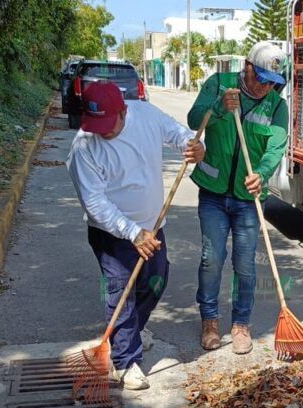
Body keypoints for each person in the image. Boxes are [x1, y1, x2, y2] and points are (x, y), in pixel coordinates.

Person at [67, 81, 204, 390]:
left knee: (156, 281)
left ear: (124, 111)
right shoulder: (84, 146)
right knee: (120, 292)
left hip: (153, 225)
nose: (102, 131)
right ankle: (125, 361)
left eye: (107, 124)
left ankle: (128, 335)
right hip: (111, 233)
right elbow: (95, 203)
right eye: (95, 124)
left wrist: (195, 146)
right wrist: (132, 232)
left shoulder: (145, 115)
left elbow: (178, 133)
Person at [187, 41, 289, 355]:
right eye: (260, 77)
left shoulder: (276, 106)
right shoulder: (219, 84)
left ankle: (241, 324)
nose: (265, 86)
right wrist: (218, 108)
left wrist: (261, 172)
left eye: (273, 81)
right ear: (246, 66)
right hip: (213, 193)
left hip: (247, 198)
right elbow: (193, 121)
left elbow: (275, 149)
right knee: (212, 258)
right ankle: (210, 321)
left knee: (246, 264)